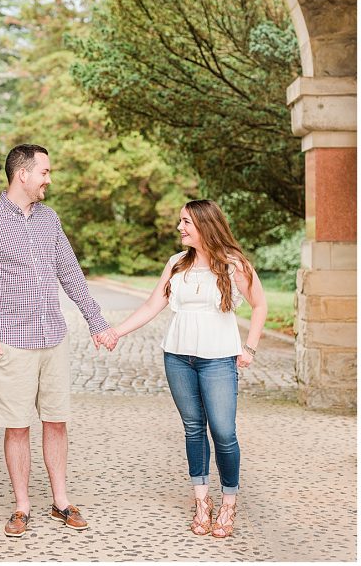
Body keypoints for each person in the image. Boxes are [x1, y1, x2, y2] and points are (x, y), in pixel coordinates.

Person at [0, 144, 118, 538]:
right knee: (16, 427)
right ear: (22, 174)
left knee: (56, 421)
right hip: (10, 342)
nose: (49, 179)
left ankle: (60, 503)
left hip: (53, 338)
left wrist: (96, 321)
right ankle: (21, 507)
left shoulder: (50, 220)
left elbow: (70, 272)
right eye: (44, 172)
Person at [108, 199, 267, 538]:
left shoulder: (233, 264)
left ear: (205, 225)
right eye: (180, 221)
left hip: (219, 359)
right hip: (178, 358)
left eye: (186, 222)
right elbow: (153, 304)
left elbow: (260, 305)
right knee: (194, 428)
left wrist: (249, 347)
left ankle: (229, 502)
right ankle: (201, 502)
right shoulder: (176, 263)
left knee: (223, 431)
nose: (180, 228)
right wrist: (117, 332)